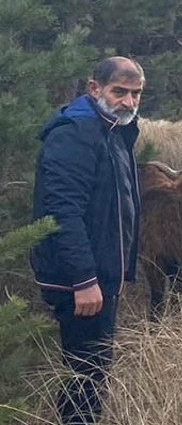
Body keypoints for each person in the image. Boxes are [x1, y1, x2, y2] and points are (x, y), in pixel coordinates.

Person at [29, 57, 145, 425]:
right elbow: (63, 212)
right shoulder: (76, 133)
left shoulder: (112, 129)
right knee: (85, 375)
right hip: (79, 280)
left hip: (99, 275)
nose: (128, 102)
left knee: (92, 372)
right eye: (119, 92)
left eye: (136, 94)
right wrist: (84, 280)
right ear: (94, 88)